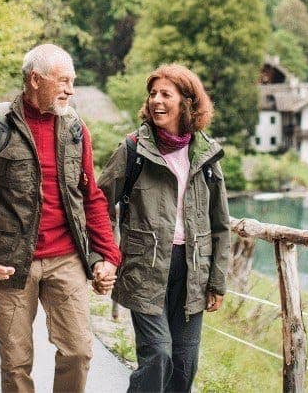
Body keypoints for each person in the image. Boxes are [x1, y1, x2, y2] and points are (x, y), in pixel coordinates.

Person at [0, 44, 121, 393]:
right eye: (63, 81)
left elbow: (91, 197)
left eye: (73, 82)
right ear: (34, 79)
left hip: (66, 258)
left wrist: (108, 257)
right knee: (16, 363)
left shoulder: (76, 129)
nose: (71, 91)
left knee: (78, 351)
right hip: (9, 262)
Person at [98, 63, 231, 393]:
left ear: (187, 102)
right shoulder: (133, 150)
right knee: (158, 357)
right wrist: (108, 254)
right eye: (153, 94)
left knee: (184, 366)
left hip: (192, 272)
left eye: (165, 94)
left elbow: (221, 223)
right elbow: (99, 203)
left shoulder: (205, 154)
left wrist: (217, 280)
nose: (156, 100)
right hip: (145, 269)